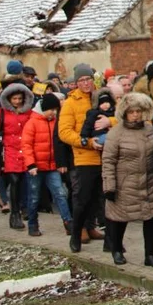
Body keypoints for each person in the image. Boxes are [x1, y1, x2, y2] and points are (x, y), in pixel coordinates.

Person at [101, 92, 153, 267]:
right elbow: (108, 161)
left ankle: (150, 255)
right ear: (125, 112)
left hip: (148, 182)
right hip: (124, 183)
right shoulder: (116, 133)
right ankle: (117, 250)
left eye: (139, 111)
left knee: (152, 218)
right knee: (119, 218)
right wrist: (109, 186)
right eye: (132, 111)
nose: (136, 115)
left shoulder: (149, 129)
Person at [59, 63, 111, 252]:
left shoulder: (102, 97)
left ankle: (96, 230)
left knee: (102, 198)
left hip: (106, 156)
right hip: (84, 157)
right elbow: (64, 132)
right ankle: (76, 233)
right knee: (82, 198)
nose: (85, 83)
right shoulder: (71, 102)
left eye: (88, 79)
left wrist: (109, 121)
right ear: (76, 82)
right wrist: (86, 142)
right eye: (81, 80)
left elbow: (119, 115)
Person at [0, 82, 35, 231]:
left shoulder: (29, 113)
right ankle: (15, 214)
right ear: (8, 99)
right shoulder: (0, 112)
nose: (17, 102)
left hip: (25, 150)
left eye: (20, 98)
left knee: (27, 181)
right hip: (9, 150)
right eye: (14, 99)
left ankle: (25, 209)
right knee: (14, 180)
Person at [21, 93, 72, 237]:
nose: (54, 113)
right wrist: (31, 164)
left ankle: (68, 222)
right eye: (52, 110)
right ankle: (33, 224)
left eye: (56, 110)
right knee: (34, 197)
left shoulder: (56, 122)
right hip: (36, 167)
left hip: (52, 166)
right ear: (44, 108)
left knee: (60, 194)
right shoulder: (32, 122)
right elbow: (26, 145)